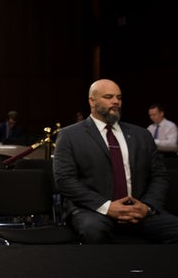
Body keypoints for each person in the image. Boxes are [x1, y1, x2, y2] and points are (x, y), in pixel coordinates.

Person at [53, 79, 178, 244]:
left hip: (137, 210)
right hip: (93, 210)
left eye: (119, 97)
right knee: (94, 230)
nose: (115, 102)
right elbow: (65, 180)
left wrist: (146, 207)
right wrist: (107, 207)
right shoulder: (70, 136)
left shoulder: (141, 135)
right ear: (92, 101)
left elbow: (159, 176)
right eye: (108, 97)